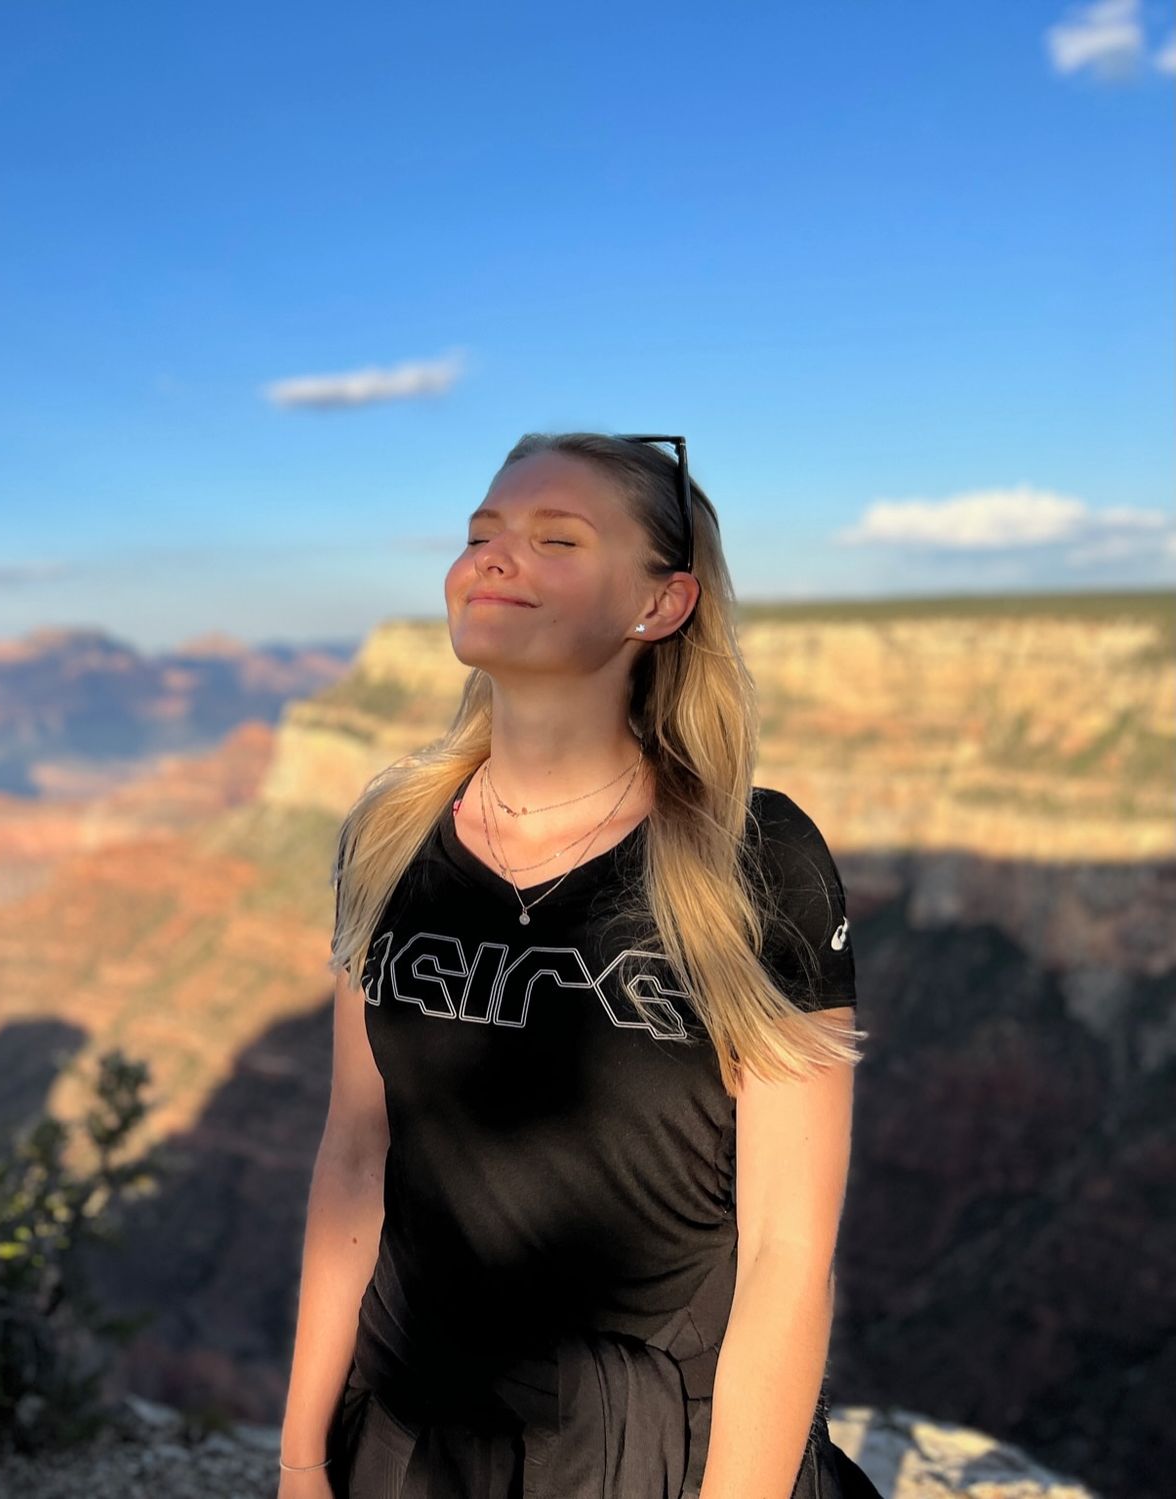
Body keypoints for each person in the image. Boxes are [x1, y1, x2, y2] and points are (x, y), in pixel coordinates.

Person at [275, 433, 885, 1499]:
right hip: (415, 1429)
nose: (492, 556)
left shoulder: (755, 859)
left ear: (660, 603)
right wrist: (300, 1457)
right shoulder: (390, 835)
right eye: (480, 532)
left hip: (655, 1448)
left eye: (555, 539)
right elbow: (355, 1155)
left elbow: (786, 1250)